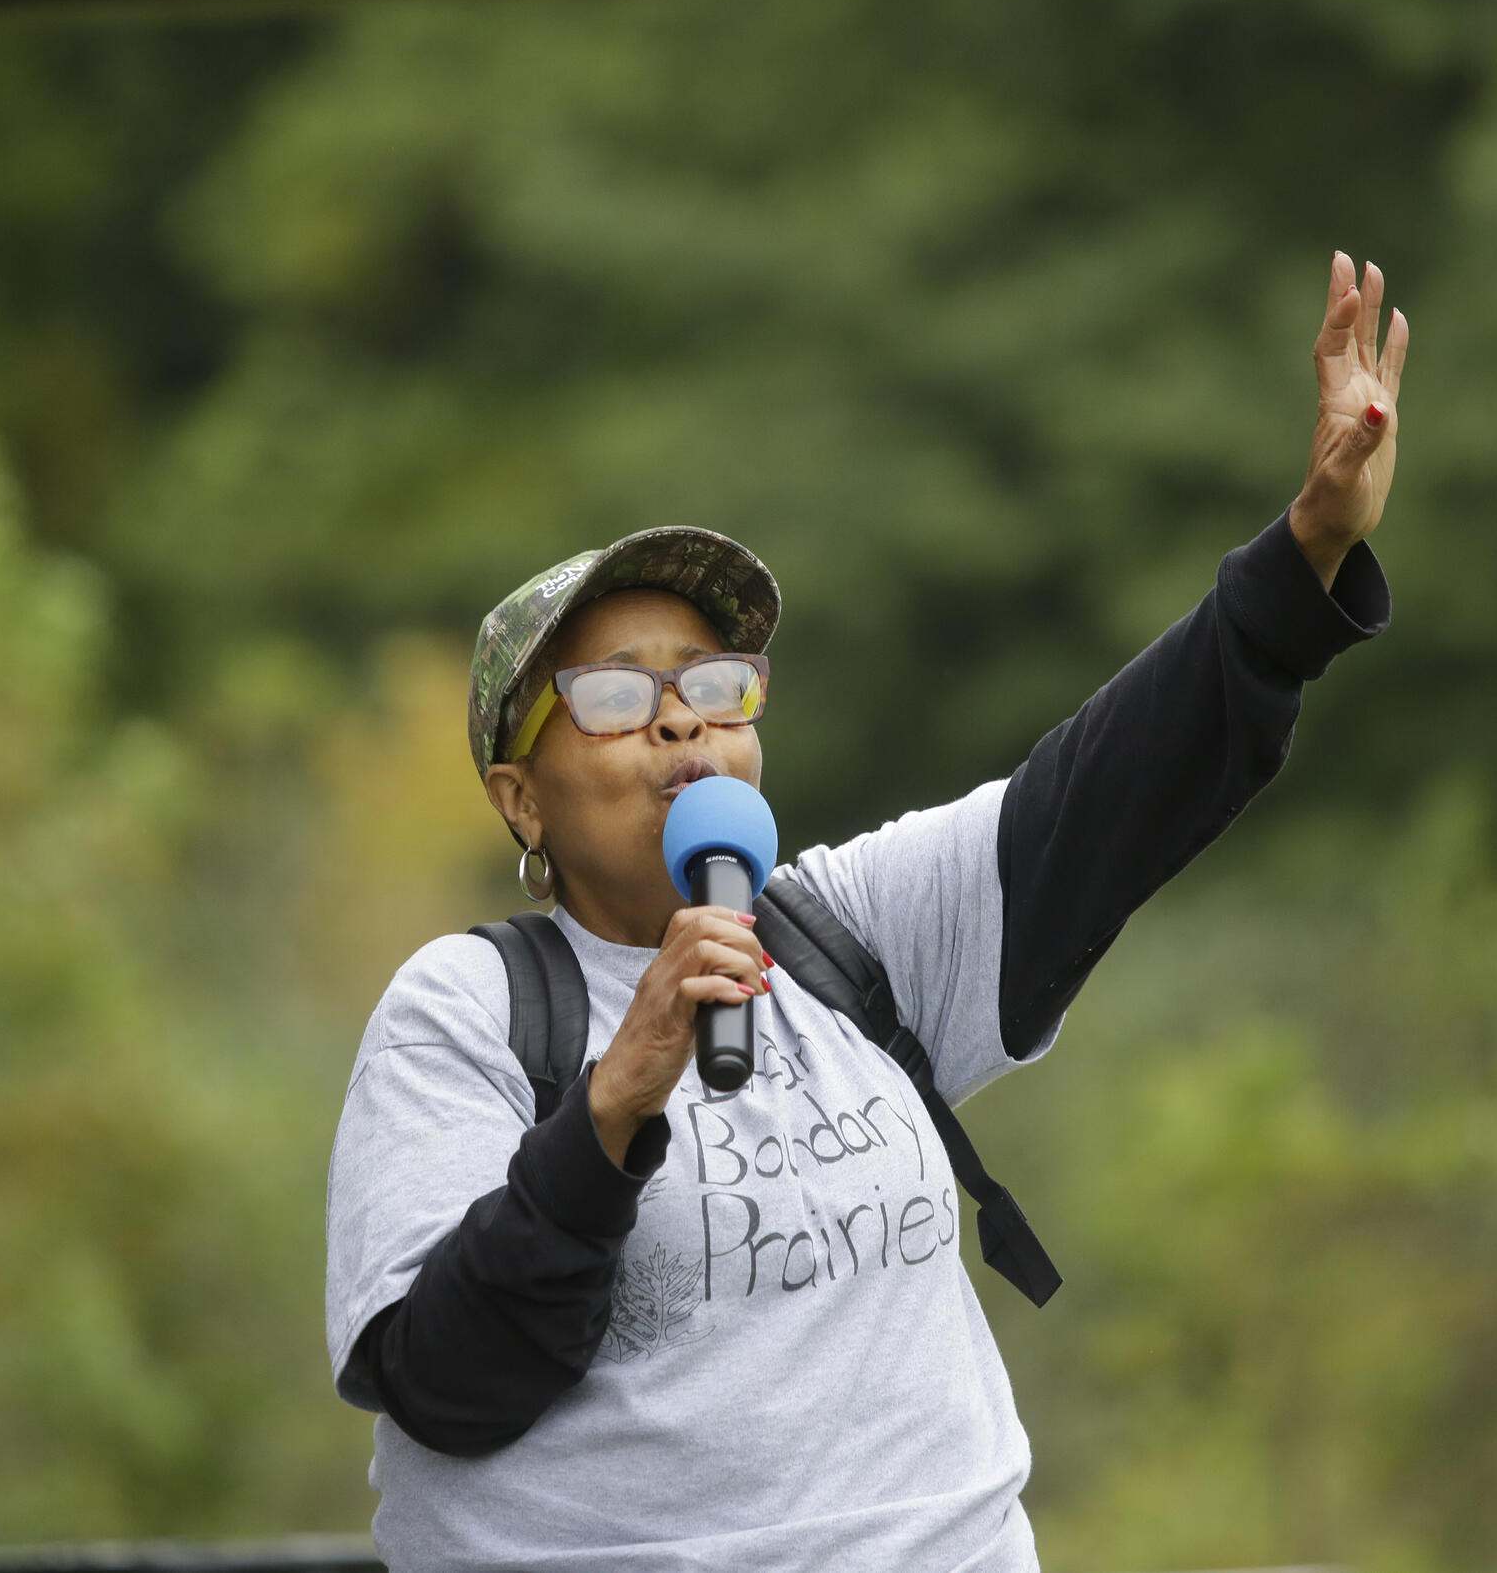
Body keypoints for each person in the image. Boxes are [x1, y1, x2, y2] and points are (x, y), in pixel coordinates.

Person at [323, 251, 1410, 1570]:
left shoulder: (849, 934)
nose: (682, 718)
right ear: (521, 797)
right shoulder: (469, 1009)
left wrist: (1309, 553)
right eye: (614, 696)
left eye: (718, 685)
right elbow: (446, 1384)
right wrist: (609, 1112)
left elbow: (1109, 787)